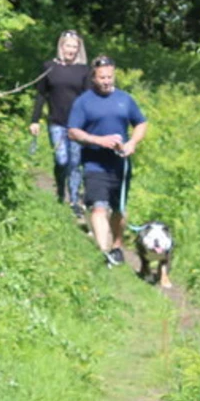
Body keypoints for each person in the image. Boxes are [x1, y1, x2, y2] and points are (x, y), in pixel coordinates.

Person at [66, 56, 147, 267]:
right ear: (93, 77)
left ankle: (117, 246)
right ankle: (104, 252)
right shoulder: (83, 102)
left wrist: (132, 143)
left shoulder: (125, 99)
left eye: (110, 77)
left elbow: (141, 123)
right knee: (99, 207)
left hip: (120, 163)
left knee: (118, 209)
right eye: (102, 77)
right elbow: (73, 132)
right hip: (94, 163)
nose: (106, 81)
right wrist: (98, 140)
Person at [28, 30, 91, 215]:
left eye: (74, 47)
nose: (70, 50)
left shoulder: (84, 70)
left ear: (78, 49)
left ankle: (74, 201)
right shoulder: (49, 67)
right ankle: (60, 189)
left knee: (75, 161)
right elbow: (41, 94)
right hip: (56, 121)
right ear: (61, 47)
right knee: (61, 160)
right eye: (68, 46)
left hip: (78, 125)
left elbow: (88, 98)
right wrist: (35, 120)